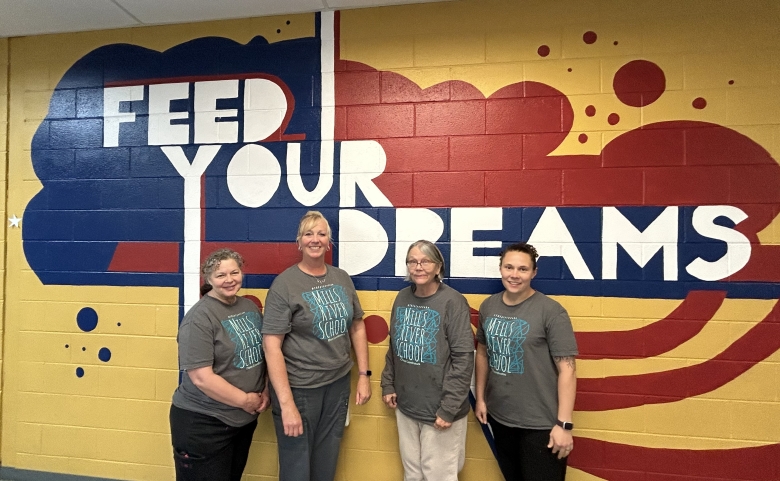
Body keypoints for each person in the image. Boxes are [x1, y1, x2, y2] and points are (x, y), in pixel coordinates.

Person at [262, 210, 371, 481]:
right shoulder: (285, 284)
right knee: (296, 466)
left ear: (329, 241)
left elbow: (357, 326)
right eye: (308, 234)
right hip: (300, 388)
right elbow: (271, 345)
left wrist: (363, 375)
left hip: (337, 384)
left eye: (321, 234)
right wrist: (286, 404)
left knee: (327, 460)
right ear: (299, 242)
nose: (315, 239)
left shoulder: (341, 278)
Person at [474, 242, 578, 481]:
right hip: (501, 417)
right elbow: (482, 353)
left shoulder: (551, 311)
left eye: (522, 269)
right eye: (509, 267)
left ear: (534, 273)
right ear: (500, 269)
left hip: (541, 424)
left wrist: (563, 424)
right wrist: (480, 398)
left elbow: (568, 370)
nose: (514, 275)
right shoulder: (489, 306)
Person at [170, 248, 269, 481]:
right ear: (209, 280)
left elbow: (262, 354)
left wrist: (265, 390)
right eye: (220, 275)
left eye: (234, 272)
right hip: (204, 424)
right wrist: (245, 400)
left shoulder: (249, 307)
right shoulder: (199, 319)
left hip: (242, 421)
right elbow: (201, 377)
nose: (229, 280)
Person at [381, 240, 474, 481]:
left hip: (440, 410)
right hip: (407, 405)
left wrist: (449, 407)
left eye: (425, 261)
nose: (418, 267)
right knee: (413, 475)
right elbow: (395, 346)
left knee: (439, 476)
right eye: (412, 261)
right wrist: (388, 383)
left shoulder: (453, 301)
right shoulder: (402, 298)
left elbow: (463, 359)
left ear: (438, 267)